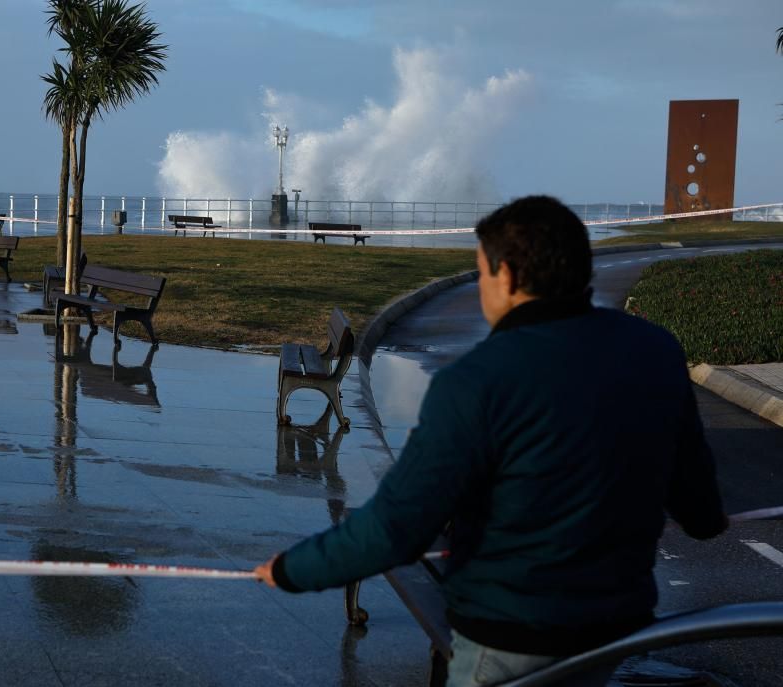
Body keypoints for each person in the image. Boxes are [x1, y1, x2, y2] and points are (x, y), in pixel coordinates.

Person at [254, 195, 728, 686]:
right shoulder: (655, 350)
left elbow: (398, 527)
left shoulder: (478, 380)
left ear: (509, 278)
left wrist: (292, 569)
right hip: (616, 627)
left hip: (511, 636)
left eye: (483, 274)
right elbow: (700, 509)